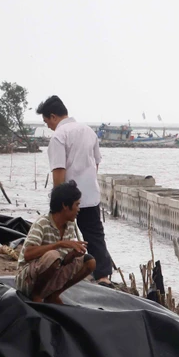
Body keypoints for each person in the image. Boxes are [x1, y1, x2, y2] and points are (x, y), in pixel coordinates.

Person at [36, 95, 113, 286]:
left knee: (61, 234)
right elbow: (95, 163)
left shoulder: (59, 136)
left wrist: (57, 200)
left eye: (47, 121)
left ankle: (61, 269)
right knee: (94, 233)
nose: (48, 126)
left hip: (67, 197)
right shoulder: (88, 131)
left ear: (53, 116)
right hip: (89, 193)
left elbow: (59, 170)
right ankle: (103, 275)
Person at [16, 180, 96, 304]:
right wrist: (59, 244)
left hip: (50, 273)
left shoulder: (70, 225)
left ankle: (53, 295)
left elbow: (63, 261)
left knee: (89, 262)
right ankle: (36, 296)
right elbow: (27, 254)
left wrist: (73, 254)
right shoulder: (42, 223)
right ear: (65, 205)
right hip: (27, 279)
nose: (78, 209)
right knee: (53, 256)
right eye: (76, 204)